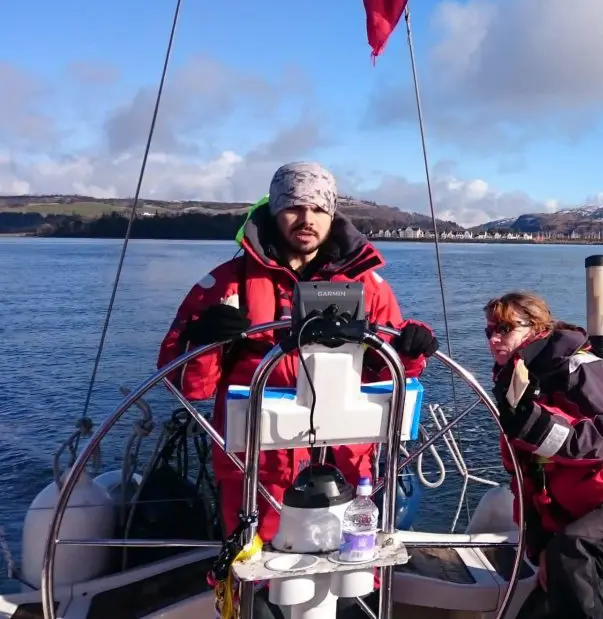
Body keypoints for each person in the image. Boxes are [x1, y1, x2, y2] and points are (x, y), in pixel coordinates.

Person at [156, 161, 439, 545]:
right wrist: (203, 340)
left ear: (332, 214)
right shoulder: (225, 283)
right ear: (274, 210)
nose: (307, 219)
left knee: (350, 570)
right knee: (253, 572)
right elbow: (186, 385)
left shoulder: (369, 286)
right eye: (294, 207)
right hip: (255, 469)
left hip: (347, 467)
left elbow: (391, 375)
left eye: (319, 208)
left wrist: (410, 349)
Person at [484, 291, 603, 619]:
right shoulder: (518, 388)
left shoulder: (580, 369)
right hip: (585, 516)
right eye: (489, 330)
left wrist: (534, 425)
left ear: (537, 328)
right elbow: (526, 479)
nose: (493, 339)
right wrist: (541, 546)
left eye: (504, 328)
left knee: (573, 552)